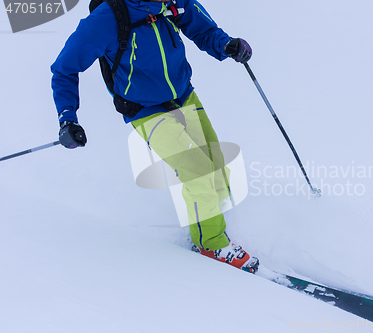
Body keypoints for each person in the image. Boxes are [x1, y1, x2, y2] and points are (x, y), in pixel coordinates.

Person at [51, 0, 259, 273]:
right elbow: (64, 68)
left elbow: (203, 30)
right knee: (198, 172)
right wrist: (67, 118)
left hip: (184, 95)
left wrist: (226, 45)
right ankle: (211, 243)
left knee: (217, 168)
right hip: (146, 110)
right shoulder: (106, 20)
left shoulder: (174, 2)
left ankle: (213, 220)